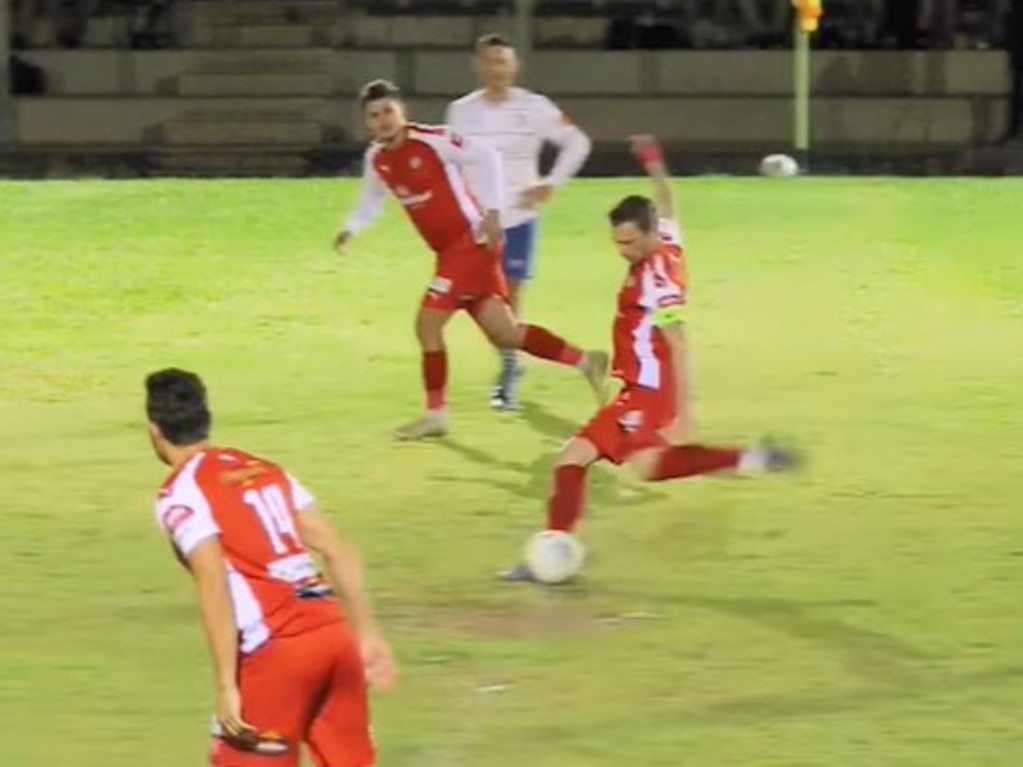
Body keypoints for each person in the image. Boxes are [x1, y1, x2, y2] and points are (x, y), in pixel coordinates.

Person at [501, 137, 800, 582]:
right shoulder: (667, 240)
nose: (623, 251)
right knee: (628, 465)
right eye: (617, 242)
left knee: (580, 461)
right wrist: (655, 163)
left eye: (629, 242)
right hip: (642, 388)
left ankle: (551, 551)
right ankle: (752, 460)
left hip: (647, 391)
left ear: (648, 233)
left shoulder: (657, 280)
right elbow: (667, 200)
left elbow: (679, 343)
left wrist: (684, 417)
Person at [146, 368, 396, 766]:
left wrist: (226, 684)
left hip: (278, 650)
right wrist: (365, 634)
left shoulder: (180, 493)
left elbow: (212, 580)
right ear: (205, 421)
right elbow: (337, 550)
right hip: (334, 636)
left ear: (154, 431)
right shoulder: (266, 469)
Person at [335, 79, 608, 441]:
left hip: (471, 244)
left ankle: (436, 415)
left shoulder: (433, 139)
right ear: (367, 123)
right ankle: (587, 361)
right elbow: (371, 199)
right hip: (449, 253)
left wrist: (493, 213)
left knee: (427, 325)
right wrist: (351, 229)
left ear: (403, 112)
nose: (383, 119)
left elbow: (488, 158)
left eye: (388, 111)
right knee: (506, 333)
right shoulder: (377, 158)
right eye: (375, 115)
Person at [445, 34, 592, 411]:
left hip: (519, 218)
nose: (497, 69)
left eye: (503, 62)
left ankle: (510, 367)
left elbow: (578, 143)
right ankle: (512, 361)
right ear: (478, 66)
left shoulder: (535, 107)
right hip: (478, 224)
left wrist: (551, 184)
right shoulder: (461, 112)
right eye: (490, 62)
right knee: (479, 301)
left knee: (509, 301)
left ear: (514, 67)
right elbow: (450, 163)